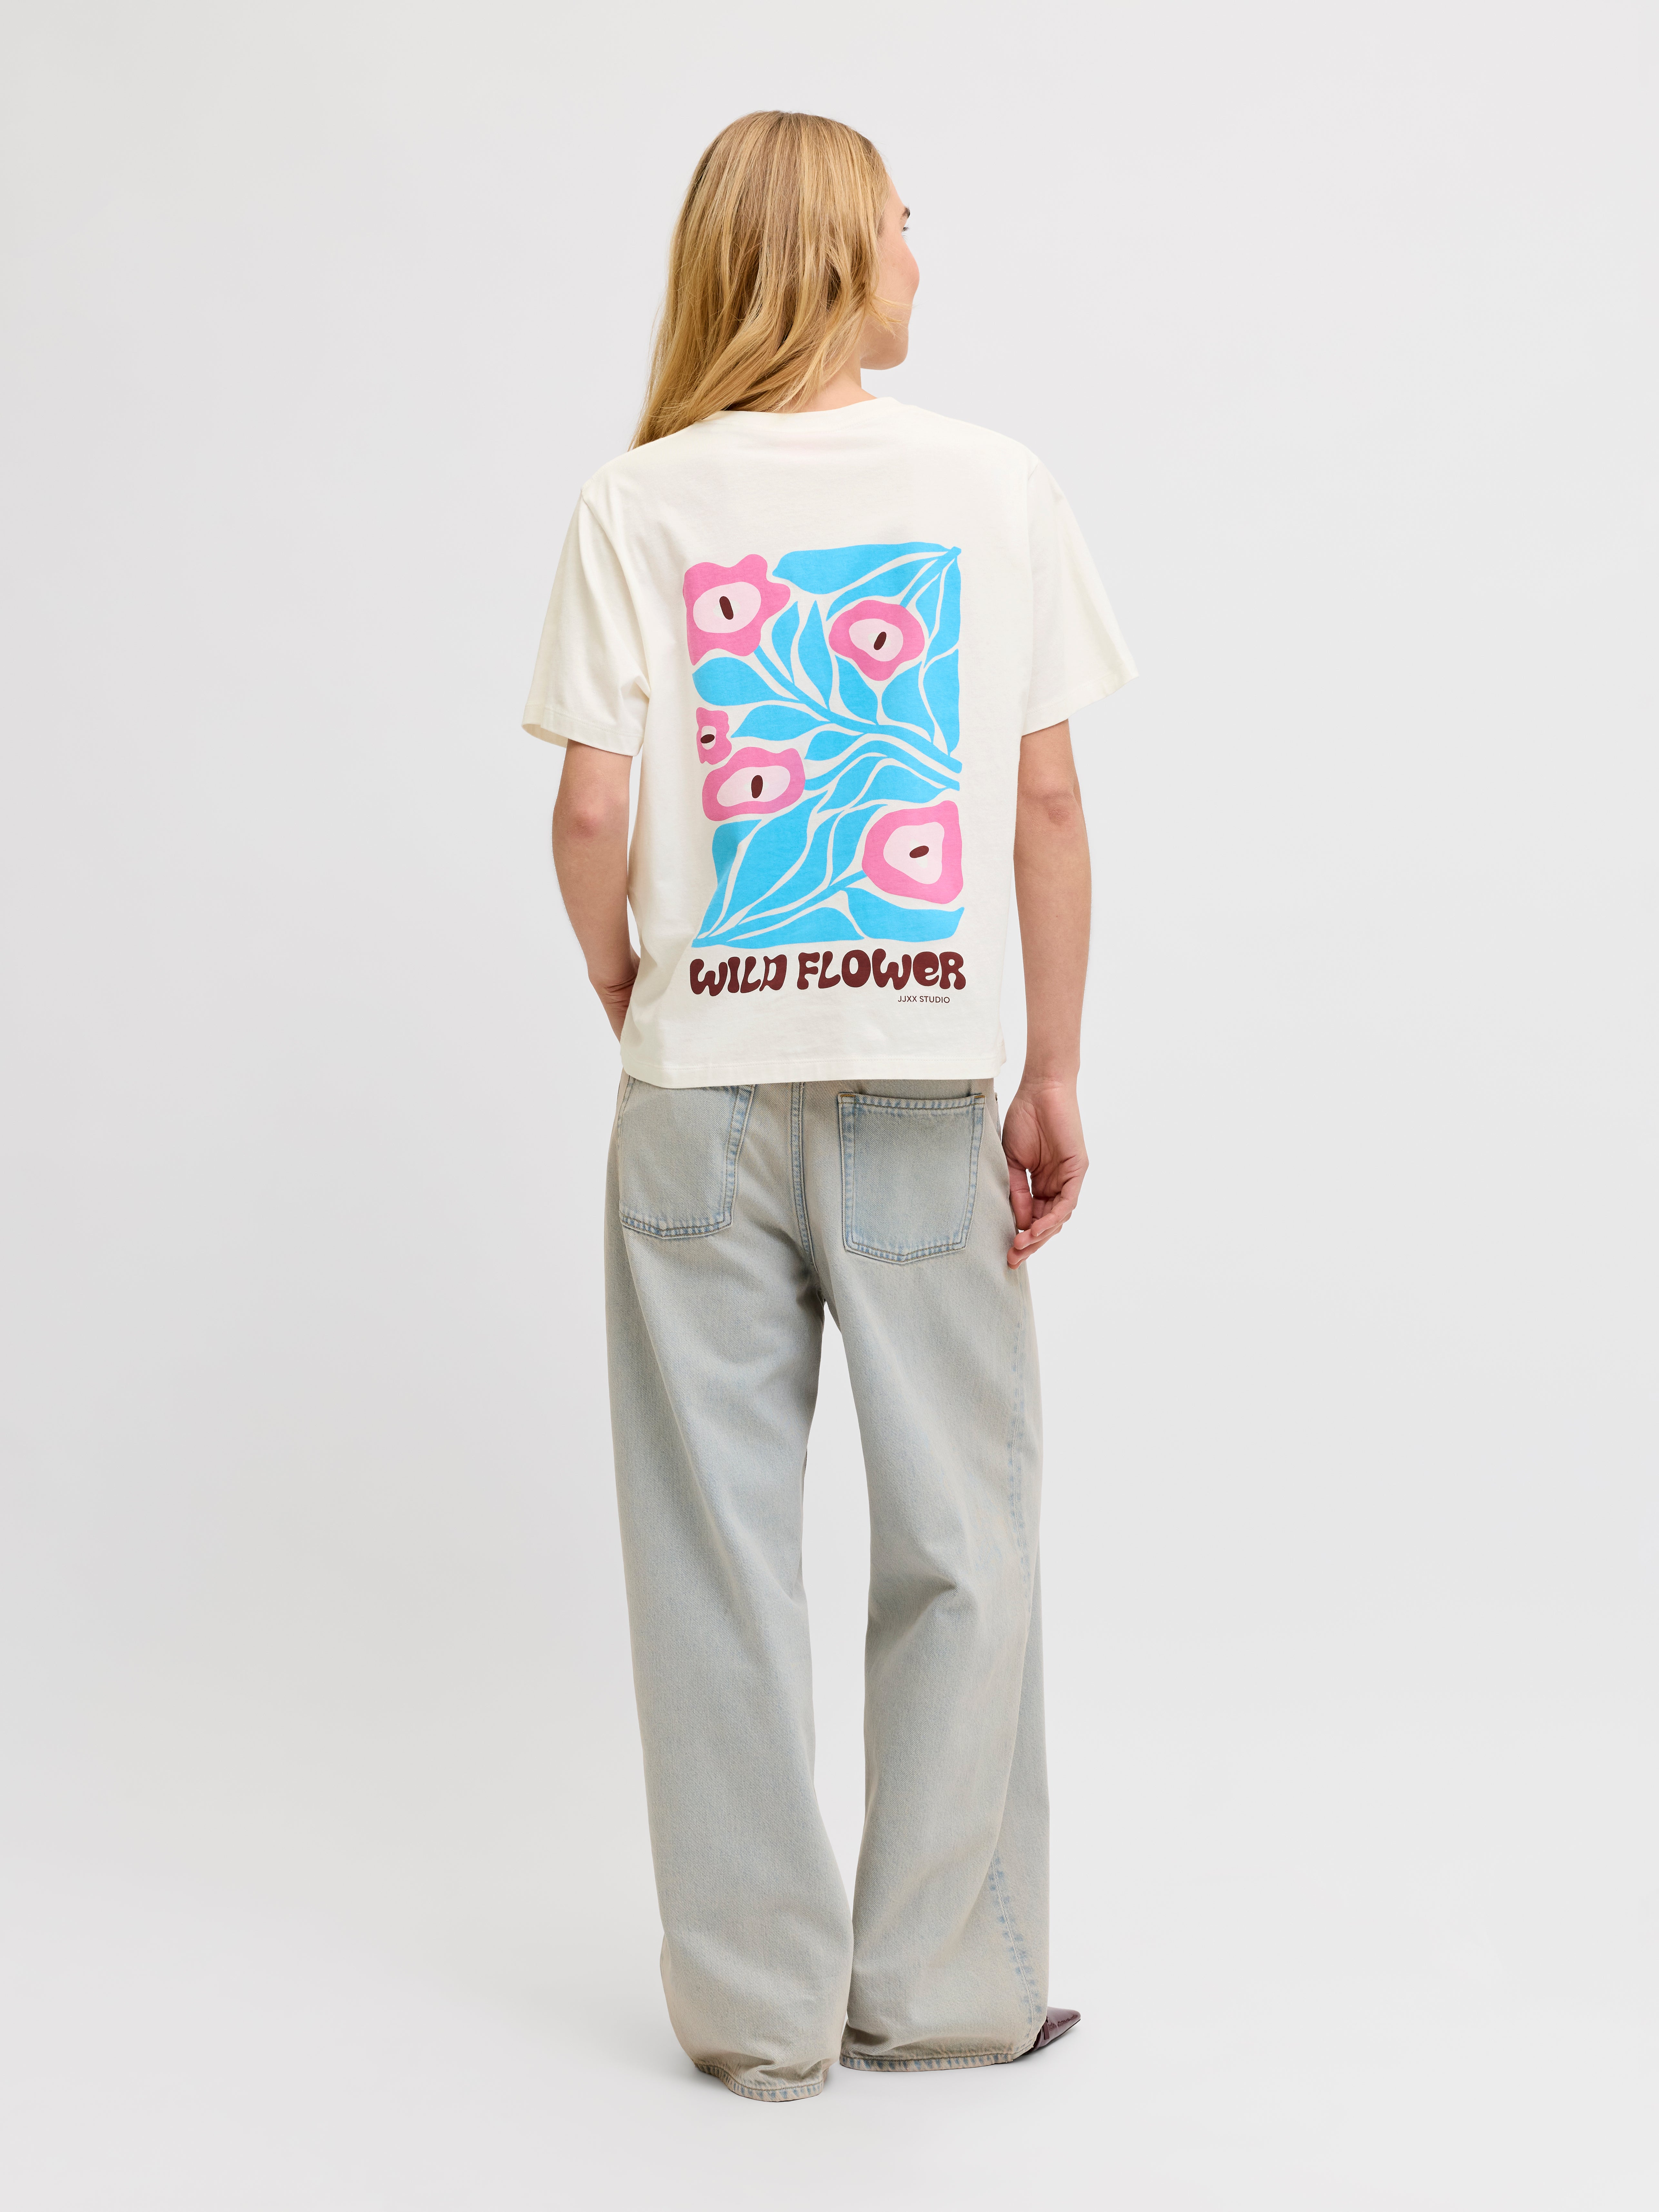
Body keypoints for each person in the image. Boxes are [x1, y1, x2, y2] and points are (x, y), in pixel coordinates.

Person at [523, 110, 1135, 2102]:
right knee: (963, 1539)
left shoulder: (635, 501)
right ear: (838, 253)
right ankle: (940, 1990)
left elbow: (591, 812)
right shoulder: (993, 486)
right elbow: (1046, 806)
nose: (918, 259)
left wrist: (625, 982)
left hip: (694, 1101)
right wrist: (1050, 1068)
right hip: (914, 1089)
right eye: (898, 223)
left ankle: (757, 2017)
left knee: (710, 1558)